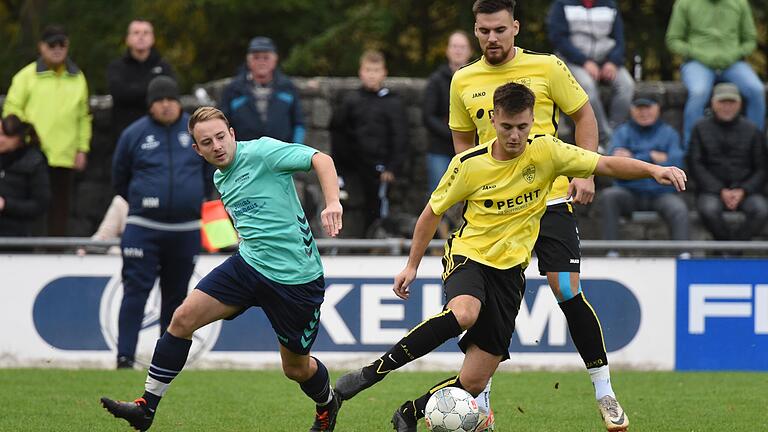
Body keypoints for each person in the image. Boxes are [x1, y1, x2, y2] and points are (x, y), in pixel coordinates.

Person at [334, 82, 686, 432]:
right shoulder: (469, 164)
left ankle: (409, 412)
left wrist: (654, 170)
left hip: (510, 273)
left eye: (522, 127)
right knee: (465, 312)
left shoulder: (547, 151)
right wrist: (411, 265)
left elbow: (605, 163)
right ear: (493, 120)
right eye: (506, 127)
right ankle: (371, 374)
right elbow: (431, 213)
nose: (515, 136)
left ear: (533, 120)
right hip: (469, 255)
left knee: (472, 382)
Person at [101, 106, 345, 432]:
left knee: (296, 369)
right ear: (197, 150)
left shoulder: (261, 152)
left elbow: (321, 160)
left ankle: (327, 403)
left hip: (296, 279)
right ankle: (146, 407)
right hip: (249, 265)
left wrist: (333, 202)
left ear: (232, 134)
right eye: (206, 142)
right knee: (182, 318)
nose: (216, 146)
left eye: (220, 137)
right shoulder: (219, 177)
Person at [445, 0, 620, 430]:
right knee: (485, 304)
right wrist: (476, 191)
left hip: (551, 199)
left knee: (565, 289)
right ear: (475, 29)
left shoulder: (547, 68)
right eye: (484, 30)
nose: (491, 38)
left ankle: (605, 391)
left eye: (500, 29)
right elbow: (463, 145)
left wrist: (587, 172)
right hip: (497, 213)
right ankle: (481, 403)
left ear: (516, 28)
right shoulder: (463, 80)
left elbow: (583, 115)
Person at [111, 76, 212, 369]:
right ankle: (124, 357)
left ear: (179, 102)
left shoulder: (194, 133)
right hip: (143, 229)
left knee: (176, 299)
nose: (166, 105)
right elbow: (120, 178)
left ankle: (165, 362)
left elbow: (210, 174)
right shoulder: (134, 134)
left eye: (170, 99)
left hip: (186, 230)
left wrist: (191, 201)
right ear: (150, 105)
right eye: (159, 100)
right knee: (135, 292)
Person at [2, 24, 91, 236]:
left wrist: (82, 148)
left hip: (64, 156)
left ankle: (55, 254)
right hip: (31, 157)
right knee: (33, 209)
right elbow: (11, 111)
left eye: (62, 44)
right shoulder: (26, 76)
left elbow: (83, 116)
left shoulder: (78, 78)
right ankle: (31, 253)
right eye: (52, 44)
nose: (57, 48)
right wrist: (23, 140)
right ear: (41, 47)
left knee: (60, 210)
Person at [330, 50, 408, 237]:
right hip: (354, 168)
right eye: (368, 70)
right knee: (349, 208)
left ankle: (374, 245)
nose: (372, 74)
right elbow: (338, 133)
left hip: (381, 170)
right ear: (360, 72)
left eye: (376, 70)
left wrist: (392, 167)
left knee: (377, 209)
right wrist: (340, 168)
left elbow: (400, 136)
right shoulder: (351, 101)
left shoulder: (393, 103)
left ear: (384, 73)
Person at [666, 0, 765, 147]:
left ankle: (756, 146)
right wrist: (697, 53)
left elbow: (750, 40)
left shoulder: (740, 3)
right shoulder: (684, 3)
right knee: (699, 92)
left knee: (756, 90)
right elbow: (673, 40)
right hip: (697, 62)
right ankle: (692, 148)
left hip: (733, 63)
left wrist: (734, 54)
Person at [600, 96, 689, 243]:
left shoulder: (669, 133)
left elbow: (677, 163)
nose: (644, 112)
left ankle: (683, 256)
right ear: (631, 110)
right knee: (609, 196)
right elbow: (613, 165)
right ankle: (611, 251)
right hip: (629, 191)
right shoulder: (622, 132)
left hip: (661, 193)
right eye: (639, 108)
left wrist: (633, 157)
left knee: (679, 208)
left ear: (658, 109)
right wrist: (653, 156)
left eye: (648, 108)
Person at [547, 0, 634, 147]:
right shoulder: (562, 4)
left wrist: (612, 61)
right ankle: (603, 137)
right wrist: (584, 61)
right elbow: (559, 40)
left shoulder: (610, 5)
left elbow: (619, 40)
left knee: (627, 85)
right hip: (574, 61)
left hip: (607, 60)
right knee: (587, 87)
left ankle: (615, 135)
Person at [689, 83, 767, 241]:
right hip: (711, 191)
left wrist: (743, 190)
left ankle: (732, 251)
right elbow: (695, 165)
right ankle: (728, 248)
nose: (727, 107)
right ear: (713, 103)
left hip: (746, 191)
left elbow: (762, 168)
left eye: (731, 103)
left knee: (761, 211)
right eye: (722, 102)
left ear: (739, 104)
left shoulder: (752, 130)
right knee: (708, 210)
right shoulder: (700, 128)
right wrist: (720, 190)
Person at [219, 36, 305, 143]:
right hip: (245, 154)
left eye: (266, 57)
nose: (261, 62)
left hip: (282, 154)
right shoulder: (233, 89)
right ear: (248, 61)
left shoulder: (287, 87)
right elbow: (223, 125)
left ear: (275, 60)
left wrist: (295, 149)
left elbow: (299, 124)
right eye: (256, 57)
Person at [107, 19, 176, 140]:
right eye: (136, 32)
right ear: (127, 39)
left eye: (146, 33)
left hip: (159, 133)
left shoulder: (164, 66)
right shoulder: (116, 67)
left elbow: (172, 94)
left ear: (153, 38)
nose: (141, 36)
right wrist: (152, 91)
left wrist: (133, 90)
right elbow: (119, 94)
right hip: (126, 133)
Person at [423, 31, 473, 193]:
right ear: (447, 50)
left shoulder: (477, 78)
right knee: (439, 195)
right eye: (454, 46)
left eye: (462, 47)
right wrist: (454, 133)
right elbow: (428, 116)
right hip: (440, 149)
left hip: (472, 149)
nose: (458, 50)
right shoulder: (436, 81)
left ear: (470, 51)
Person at [0, 115, 50, 236]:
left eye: (4, 135)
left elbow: (40, 205)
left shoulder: (34, 162)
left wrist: (6, 205)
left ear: (18, 138)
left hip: (17, 237)